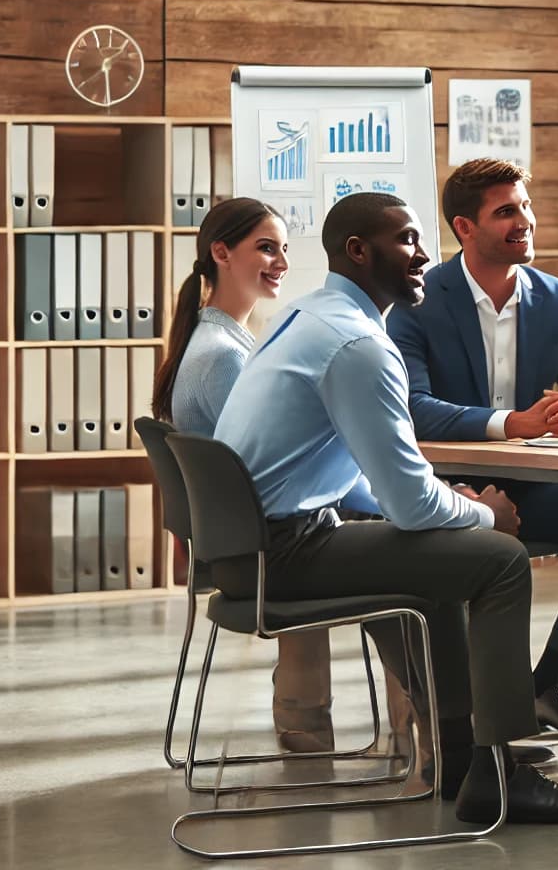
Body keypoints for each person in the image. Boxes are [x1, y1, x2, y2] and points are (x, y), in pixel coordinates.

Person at [213, 192, 558, 825]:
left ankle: (460, 756)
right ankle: (500, 767)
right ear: (357, 251)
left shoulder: (308, 316)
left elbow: (370, 489)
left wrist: (451, 504)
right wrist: (484, 514)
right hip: (281, 553)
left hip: (247, 550)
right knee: (499, 560)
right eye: (407, 240)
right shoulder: (359, 346)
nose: (425, 255)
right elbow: (408, 501)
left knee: (433, 564)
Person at [386, 158, 558, 740]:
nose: (524, 221)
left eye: (525, 207)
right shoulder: (419, 300)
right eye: (505, 211)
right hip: (448, 491)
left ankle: (542, 687)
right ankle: (459, 718)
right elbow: (410, 405)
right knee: (471, 563)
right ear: (464, 228)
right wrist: (510, 423)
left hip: (534, 490)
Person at [152, 197, 344, 753]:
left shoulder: (217, 341)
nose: (281, 261)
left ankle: (306, 719)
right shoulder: (223, 357)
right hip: (260, 552)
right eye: (266, 248)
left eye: (283, 248)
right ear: (221, 253)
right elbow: (273, 462)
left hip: (241, 545)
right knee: (410, 556)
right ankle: (432, 735)